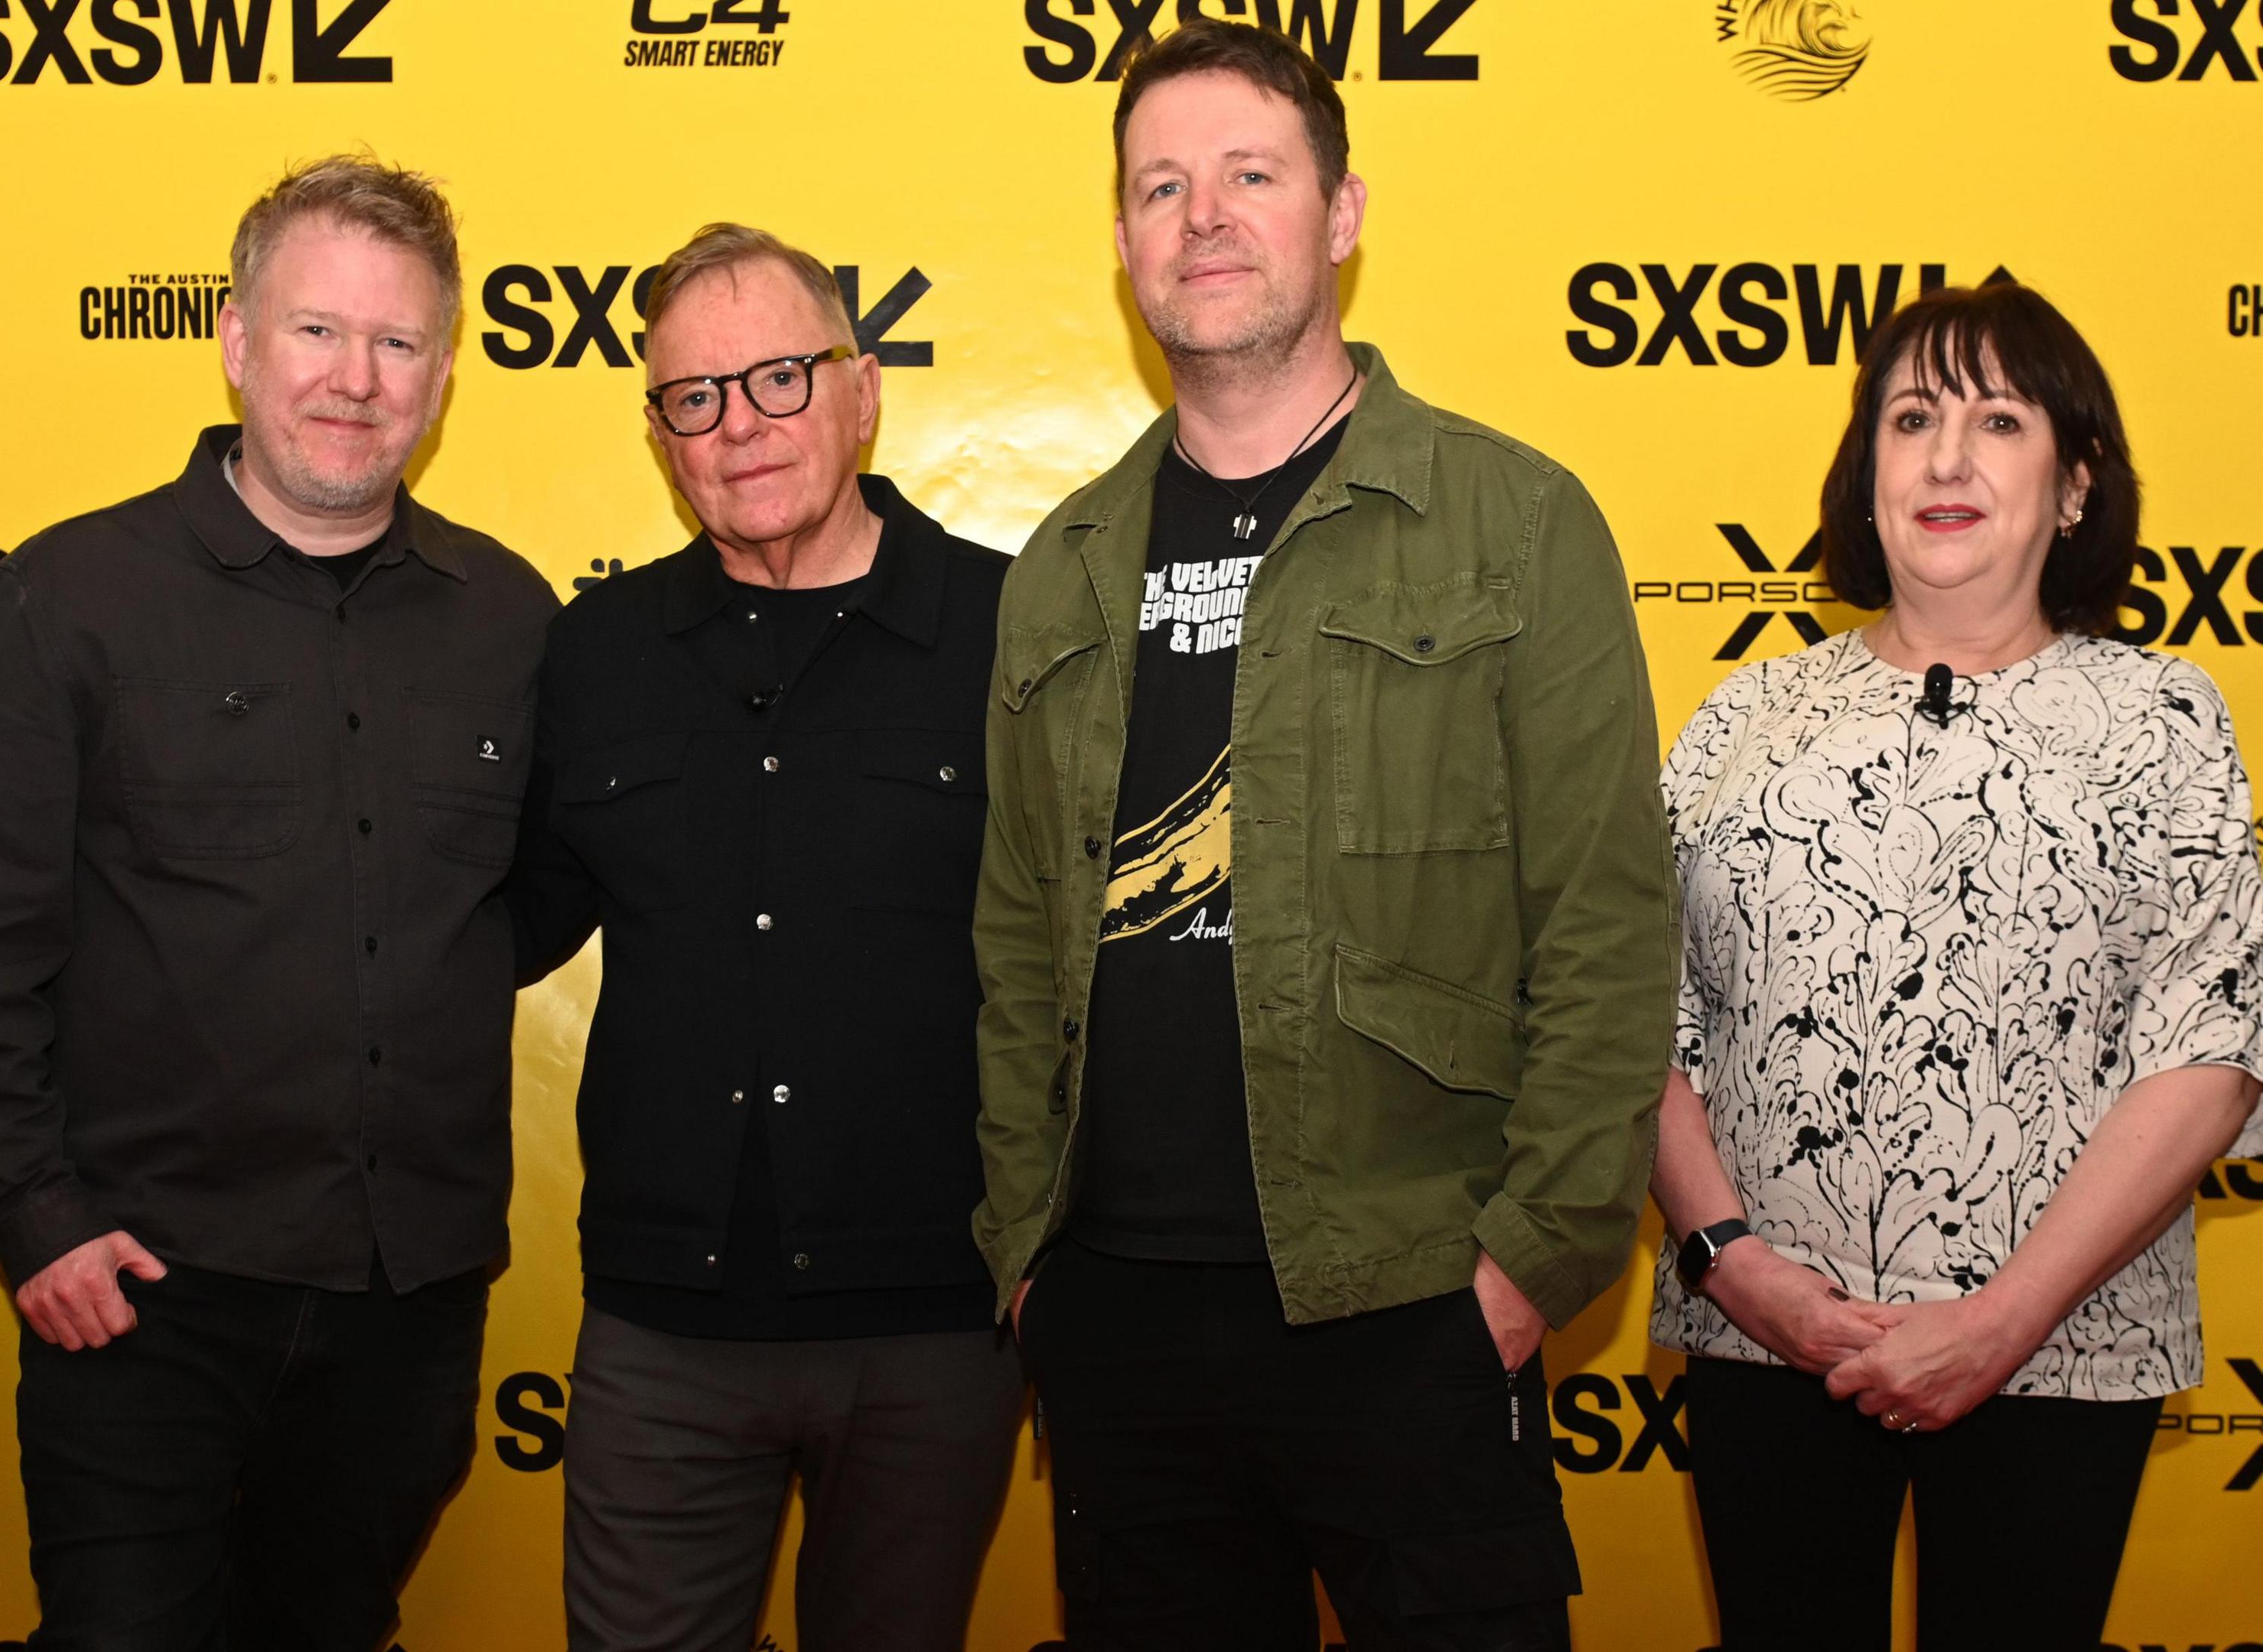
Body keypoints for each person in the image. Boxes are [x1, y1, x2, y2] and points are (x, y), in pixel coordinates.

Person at [972, 20, 1678, 1649]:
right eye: (1160, 185)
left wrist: (1525, 1270)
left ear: (1342, 212)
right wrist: (1029, 1259)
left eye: (1248, 174)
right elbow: (1016, 941)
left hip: (1414, 1301)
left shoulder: (1515, 520)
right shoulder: (1065, 564)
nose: (1201, 213)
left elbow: (1604, 923)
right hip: (1119, 1323)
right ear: (1127, 238)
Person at [0, 154, 555, 1650]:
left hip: (403, 1305)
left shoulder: (512, 618)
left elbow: (518, 904)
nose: (356, 379)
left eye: (399, 343)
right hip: (140, 1295)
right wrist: (37, 1219)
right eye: (317, 332)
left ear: (446, 371)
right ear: (233, 340)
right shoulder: (72, 595)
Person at [1651, 280, 2263, 1652]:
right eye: (1909, 417)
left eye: (1999, 420)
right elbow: (1641, 1021)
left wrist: (2003, 1319)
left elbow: (2209, 1046)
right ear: (1863, 475)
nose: (1944, 458)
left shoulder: (2162, 717)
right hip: (1771, 1344)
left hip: (2063, 1349)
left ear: (2074, 484)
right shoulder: (1747, 713)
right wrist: (1734, 1269)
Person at [508, 224, 1021, 1652]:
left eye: (782, 379)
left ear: (862, 390)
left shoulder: (1010, 633)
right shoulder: (594, 651)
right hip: (664, 1329)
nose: (741, 427)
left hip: (936, 1324)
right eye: (697, 396)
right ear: (661, 435)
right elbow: (495, 919)